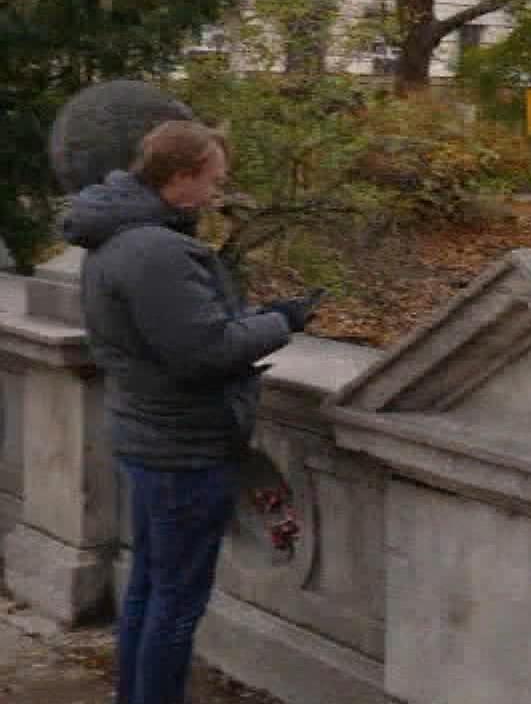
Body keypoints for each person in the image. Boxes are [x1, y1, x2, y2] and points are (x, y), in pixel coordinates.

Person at [60, 120, 319, 704]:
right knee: (175, 605)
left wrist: (254, 316)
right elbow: (205, 353)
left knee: (150, 588)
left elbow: (178, 332)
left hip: (151, 437)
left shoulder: (121, 238)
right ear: (179, 179)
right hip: (183, 449)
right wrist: (282, 322)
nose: (217, 193)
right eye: (213, 180)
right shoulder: (155, 250)